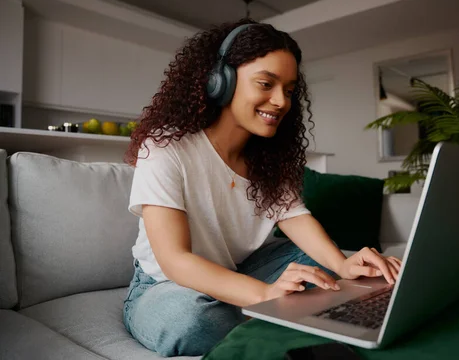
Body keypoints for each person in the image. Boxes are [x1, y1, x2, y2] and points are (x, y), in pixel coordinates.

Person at [122, 18, 402, 357]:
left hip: (241, 269)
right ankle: (280, 315)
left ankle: (278, 314)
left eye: (288, 90)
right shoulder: (166, 147)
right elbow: (175, 260)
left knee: (328, 272)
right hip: (167, 284)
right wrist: (264, 294)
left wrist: (343, 266)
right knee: (192, 320)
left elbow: (295, 217)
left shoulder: (268, 160)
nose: (281, 101)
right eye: (266, 83)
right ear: (220, 82)